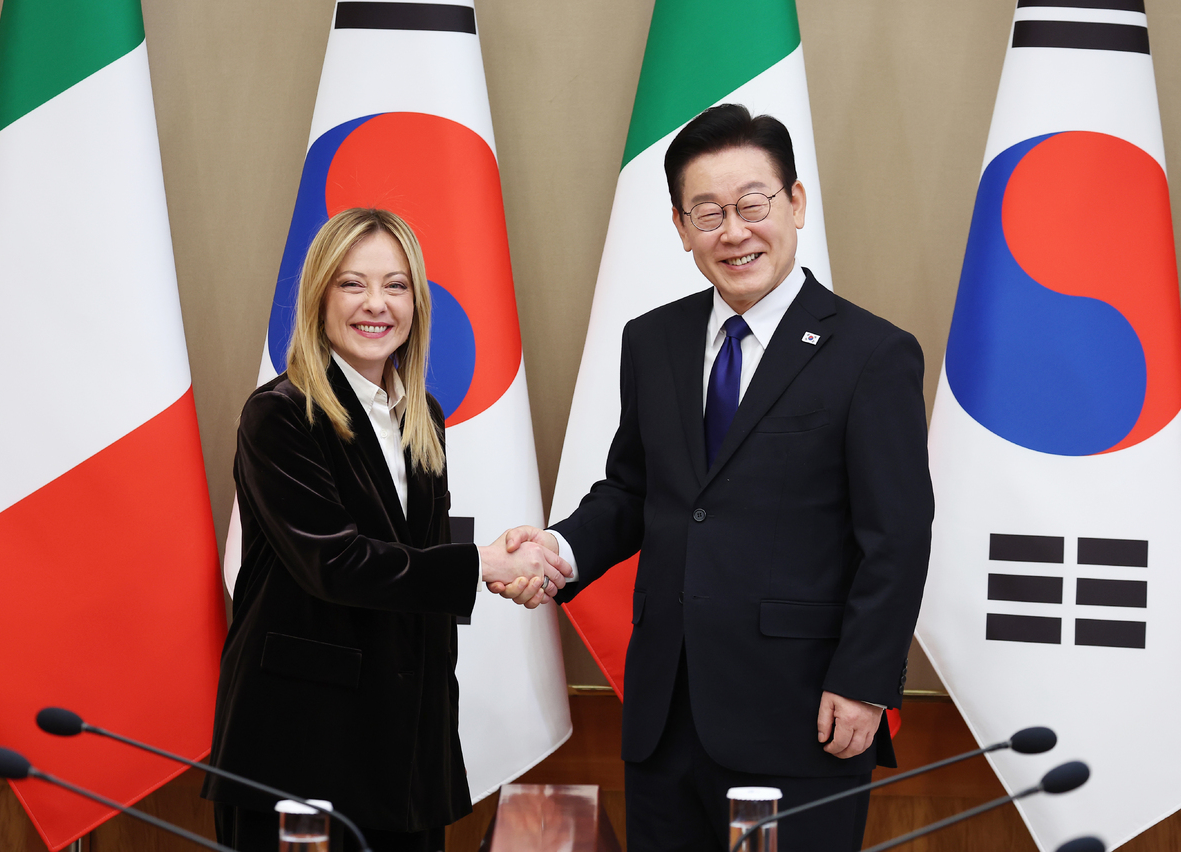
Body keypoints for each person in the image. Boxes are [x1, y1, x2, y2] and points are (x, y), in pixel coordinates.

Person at [497, 105, 934, 851]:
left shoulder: (872, 354)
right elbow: (635, 491)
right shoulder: (652, 340)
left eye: (752, 205)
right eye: (708, 213)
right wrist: (558, 551)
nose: (734, 232)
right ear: (681, 226)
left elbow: (896, 536)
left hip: (803, 717)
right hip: (665, 717)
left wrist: (864, 682)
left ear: (795, 204)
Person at [202, 208, 570, 852]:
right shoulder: (280, 414)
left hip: (406, 753)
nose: (376, 304)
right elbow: (336, 564)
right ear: (319, 297)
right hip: (303, 749)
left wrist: (508, 559)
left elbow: (410, 562)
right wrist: (481, 564)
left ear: (416, 302)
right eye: (353, 283)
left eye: (396, 285)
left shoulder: (421, 415)